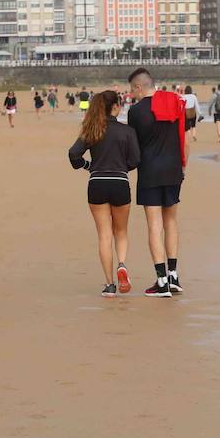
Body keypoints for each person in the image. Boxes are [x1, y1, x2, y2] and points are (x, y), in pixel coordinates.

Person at [68, 90, 140, 297]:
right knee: (121, 232)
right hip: (119, 182)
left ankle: (109, 285)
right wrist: (121, 166)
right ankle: (122, 265)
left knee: (104, 235)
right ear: (115, 107)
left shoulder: (92, 130)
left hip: (97, 182)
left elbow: (73, 154)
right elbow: (135, 160)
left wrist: (87, 165)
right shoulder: (127, 132)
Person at [127, 68, 187, 297]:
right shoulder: (174, 102)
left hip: (150, 171)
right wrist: (183, 166)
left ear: (138, 87)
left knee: (154, 225)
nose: (132, 95)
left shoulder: (135, 112)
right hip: (173, 169)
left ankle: (162, 281)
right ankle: (173, 275)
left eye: (132, 90)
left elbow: (134, 147)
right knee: (171, 221)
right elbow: (185, 139)